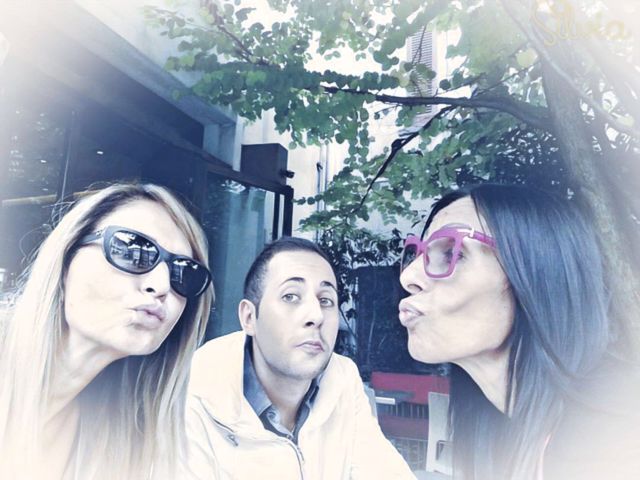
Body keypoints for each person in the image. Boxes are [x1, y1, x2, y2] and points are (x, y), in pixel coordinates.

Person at [398, 183, 640, 480]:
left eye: (451, 254)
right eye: (416, 255)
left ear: (536, 271)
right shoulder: (498, 435)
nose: (408, 276)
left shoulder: (620, 432)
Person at [0, 183, 214, 480]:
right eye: (132, 250)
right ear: (66, 261)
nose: (161, 285)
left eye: (184, 272)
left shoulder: (123, 440)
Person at [186, 236, 415, 480]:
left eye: (325, 300)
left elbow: (382, 468)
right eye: (291, 296)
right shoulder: (195, 398)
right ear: (249, 318)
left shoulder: (342, 379)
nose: (316, 315)